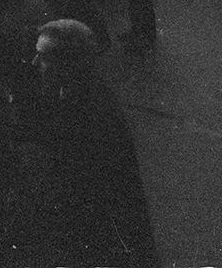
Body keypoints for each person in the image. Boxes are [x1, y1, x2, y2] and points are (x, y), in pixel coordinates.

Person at [11, 20, 159, 268]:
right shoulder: (71, 90)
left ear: (67, 63)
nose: (35, 63)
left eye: (43, 57)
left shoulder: (94, 111)